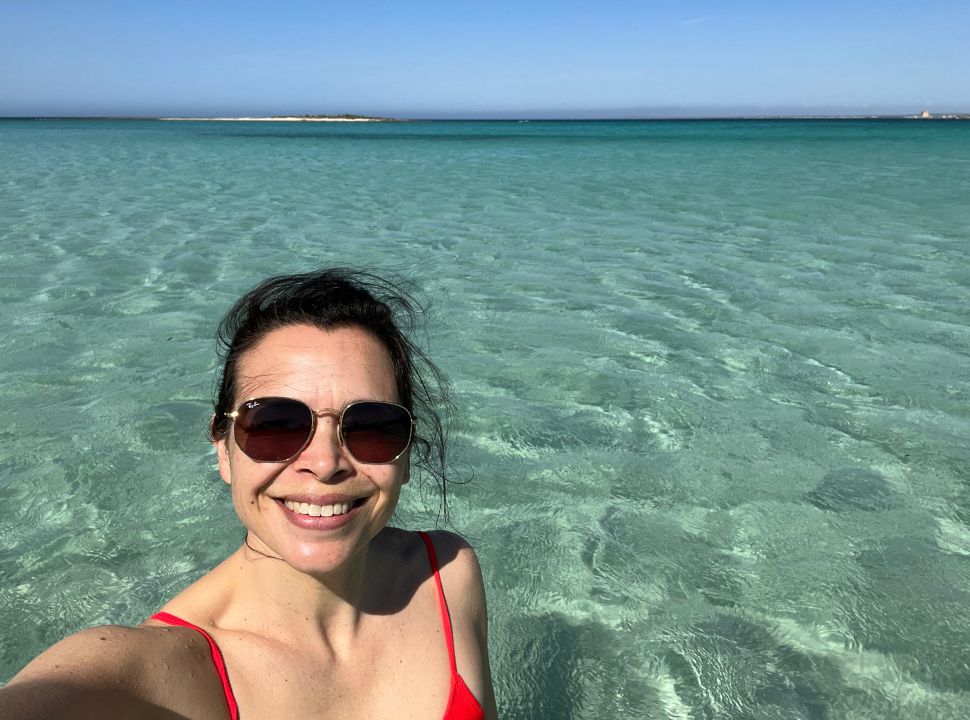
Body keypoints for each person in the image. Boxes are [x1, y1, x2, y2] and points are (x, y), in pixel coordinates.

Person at [1, 268, 497, 719]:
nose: (324, 463)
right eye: (275, 424)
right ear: (223, 449)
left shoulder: (448, 575)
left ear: (406, 454)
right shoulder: (160, 671)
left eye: (370, 427)